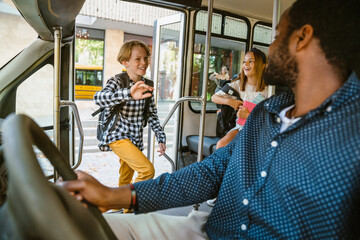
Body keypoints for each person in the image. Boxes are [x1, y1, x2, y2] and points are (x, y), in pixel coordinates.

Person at [60, 0, 360, 238]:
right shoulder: (265, 114)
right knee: (79, 232)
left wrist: (160, 138)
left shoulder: (352, 132)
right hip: (210, 229)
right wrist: (113, 196)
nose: (268, 49)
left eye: (276, 36)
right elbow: (209, 172)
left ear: (303, 37)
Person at [93, 40, 166, 193]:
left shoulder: (148, 84)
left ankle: (123, 209)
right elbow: (98, 98)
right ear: (125, 62)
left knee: (126, 176)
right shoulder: (117, 81)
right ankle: (131, 205)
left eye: (146, 58)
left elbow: (151, 114)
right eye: (138, 59)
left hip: (135, 137)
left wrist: (161, 137)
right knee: (147, 170)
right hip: (117, 135)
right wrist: (129, 93)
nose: (144, 62)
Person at [211, 48, 268, 150]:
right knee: (221, 146)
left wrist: (249, 116)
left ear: (263, 65)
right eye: (244, 61)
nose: (246, 64)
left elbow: (272, 118)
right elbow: (214, 97)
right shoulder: (238, 84)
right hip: (241, 128)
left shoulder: (270, 89)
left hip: (261, 130)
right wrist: (230, 102)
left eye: (251, 61)